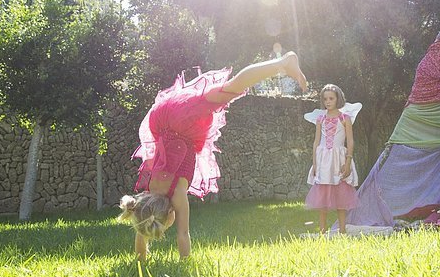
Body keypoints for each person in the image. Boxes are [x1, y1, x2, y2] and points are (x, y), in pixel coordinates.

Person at [119, 52, 307, 261]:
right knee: (226, 90)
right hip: (163, 118)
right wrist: (140, 261)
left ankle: (283, 63)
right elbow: (142, 227)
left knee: (232, 88)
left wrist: (184, 263)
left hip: (184, 123)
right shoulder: (147, 196)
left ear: (168, 215)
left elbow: (183, 234)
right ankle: (282, 64)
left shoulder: (176, 196)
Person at [305, 84, 360, 234]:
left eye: (331, 98)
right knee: (322, 196)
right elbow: (316, 141)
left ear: (338, 99)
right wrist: (315, 163)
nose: (328, 101)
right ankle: (322, 231)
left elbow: (350, 141)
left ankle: (342, 231)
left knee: (341, 196)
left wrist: (348, 162)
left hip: (339, 159)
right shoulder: (320, 118)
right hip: (323, 160)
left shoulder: (345, 118)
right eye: (325, 99)